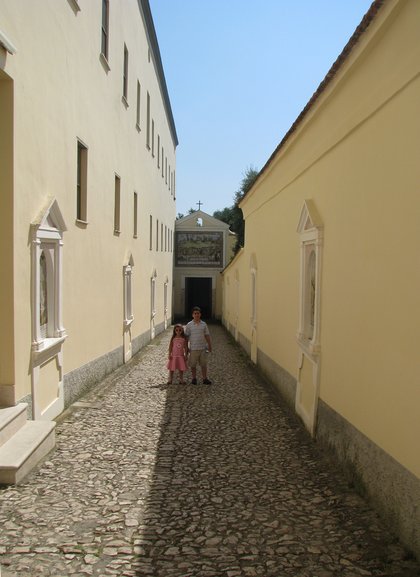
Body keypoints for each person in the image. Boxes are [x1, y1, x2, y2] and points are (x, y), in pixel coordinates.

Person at [184, 306, 212, 384]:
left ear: (200, 314)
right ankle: (194, 378)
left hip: (203, 348)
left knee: (204, 364)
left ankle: (205, 378)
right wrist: (186, 348)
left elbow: (207, 335)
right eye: (195, 313)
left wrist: (210, 345)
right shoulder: (189, 325)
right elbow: (186, 337)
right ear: (192, 315)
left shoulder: (204, 324)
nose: (197, 315)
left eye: (198, 313)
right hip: (193, 348)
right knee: (193, 365)